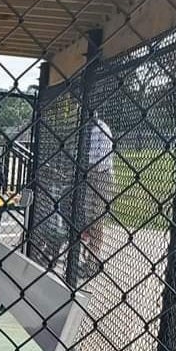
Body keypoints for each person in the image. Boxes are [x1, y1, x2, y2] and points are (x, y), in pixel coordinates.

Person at [80, 113, 114, 273]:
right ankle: (88, 258)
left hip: (102, 175)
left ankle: (93, 262)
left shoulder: (100, 129)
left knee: (97, 218)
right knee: (88, 217)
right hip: (90, 174)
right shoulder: (87, 130)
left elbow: (100, 160)